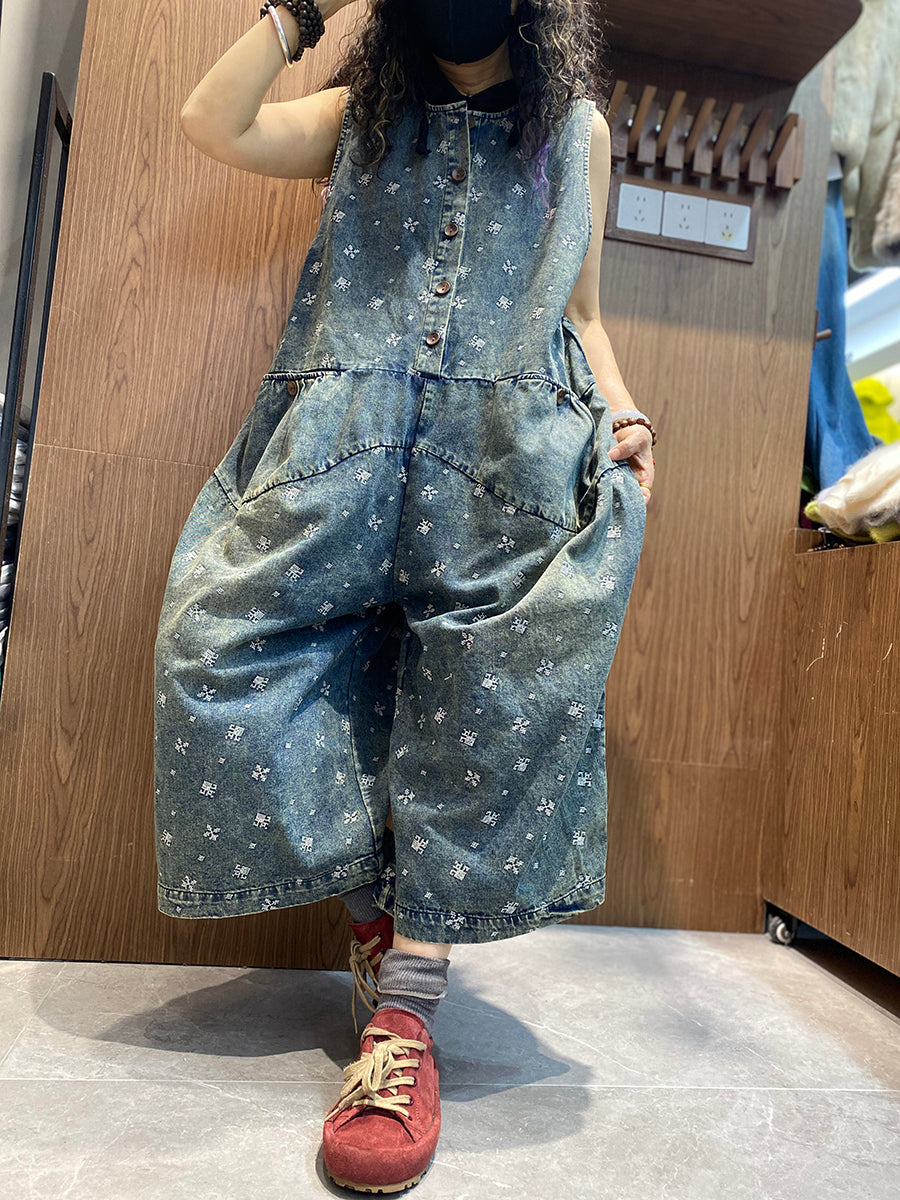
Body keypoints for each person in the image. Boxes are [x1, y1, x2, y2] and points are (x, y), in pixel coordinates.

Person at [156, 0, 656, 1191]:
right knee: (214, 649)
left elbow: (582, 312)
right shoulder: (362, 117)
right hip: (340, 445)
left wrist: (625, 412)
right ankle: (378, 929)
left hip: (503, 456)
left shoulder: (574, 134)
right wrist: (300, 11)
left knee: (486, 699)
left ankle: (406, 1017)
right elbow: (212, 121)